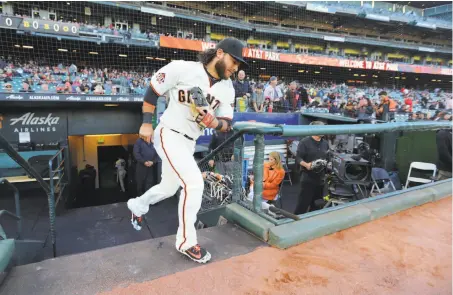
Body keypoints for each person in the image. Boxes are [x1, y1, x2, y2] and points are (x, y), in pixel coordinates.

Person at [127, 37, 247, 263]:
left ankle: (138, 204)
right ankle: (186, 241)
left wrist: (215, 123)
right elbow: (153, 90)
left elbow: (226, 123)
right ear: (220, 53)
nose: (236, 67)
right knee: (194, 183)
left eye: (239, 65)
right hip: (168, 133)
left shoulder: (227, 87)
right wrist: (146, 122)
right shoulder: (182, 68)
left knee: (169, 187)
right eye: (234, 61)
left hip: (188, 142)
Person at [294, 121, 329, 215]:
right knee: (302, 205)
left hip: (320, 180)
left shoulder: (325, 143)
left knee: (317, 205)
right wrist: (307, 165)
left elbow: (327, 157)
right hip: (307, 179)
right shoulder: (304, 142)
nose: (324, 131)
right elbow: (298, 158)